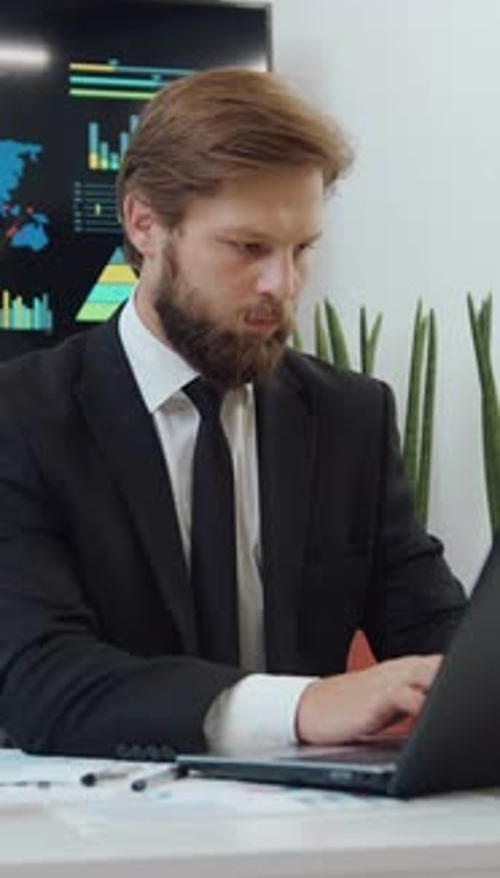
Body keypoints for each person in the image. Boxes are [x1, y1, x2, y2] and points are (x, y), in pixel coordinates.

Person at [0, 68, 466, 760]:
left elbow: (437, 635)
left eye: (301, 250)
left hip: (318, 839)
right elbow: (42, 677)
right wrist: (301, 706)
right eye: (247, 248)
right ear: (144, 224)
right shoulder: (22, 416)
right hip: (97, 841)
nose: (283, 285)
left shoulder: (350, 417)